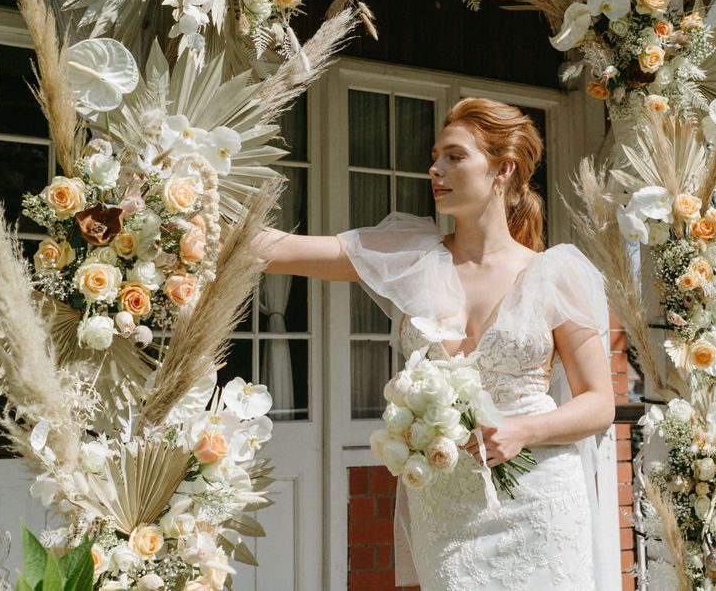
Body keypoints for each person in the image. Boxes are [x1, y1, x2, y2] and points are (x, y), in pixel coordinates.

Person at [261, 97, 616, 590]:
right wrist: (180, 211)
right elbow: (280, 249)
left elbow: (600, 404)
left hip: (541, 498)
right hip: (445, 506)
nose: (435, 169)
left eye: (454, 156)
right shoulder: (412, 256)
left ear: (502, 169)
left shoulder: (555, 274)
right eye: (435, 156)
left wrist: (520, 431)